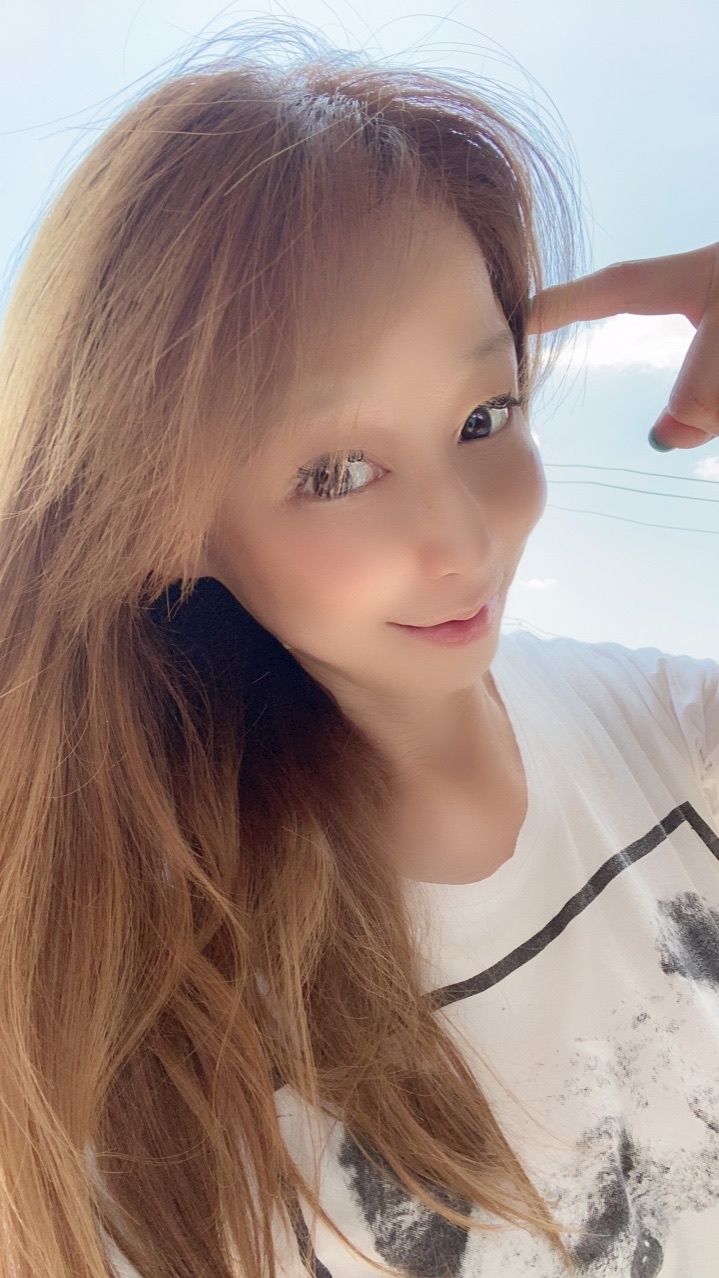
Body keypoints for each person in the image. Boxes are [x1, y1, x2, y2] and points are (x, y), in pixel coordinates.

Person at [0, 20, 717, 1278]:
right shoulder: (115, 1019)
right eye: (335, 471)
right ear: (167, 522)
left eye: (483, 415)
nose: (462, 540)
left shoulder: (668, 733)